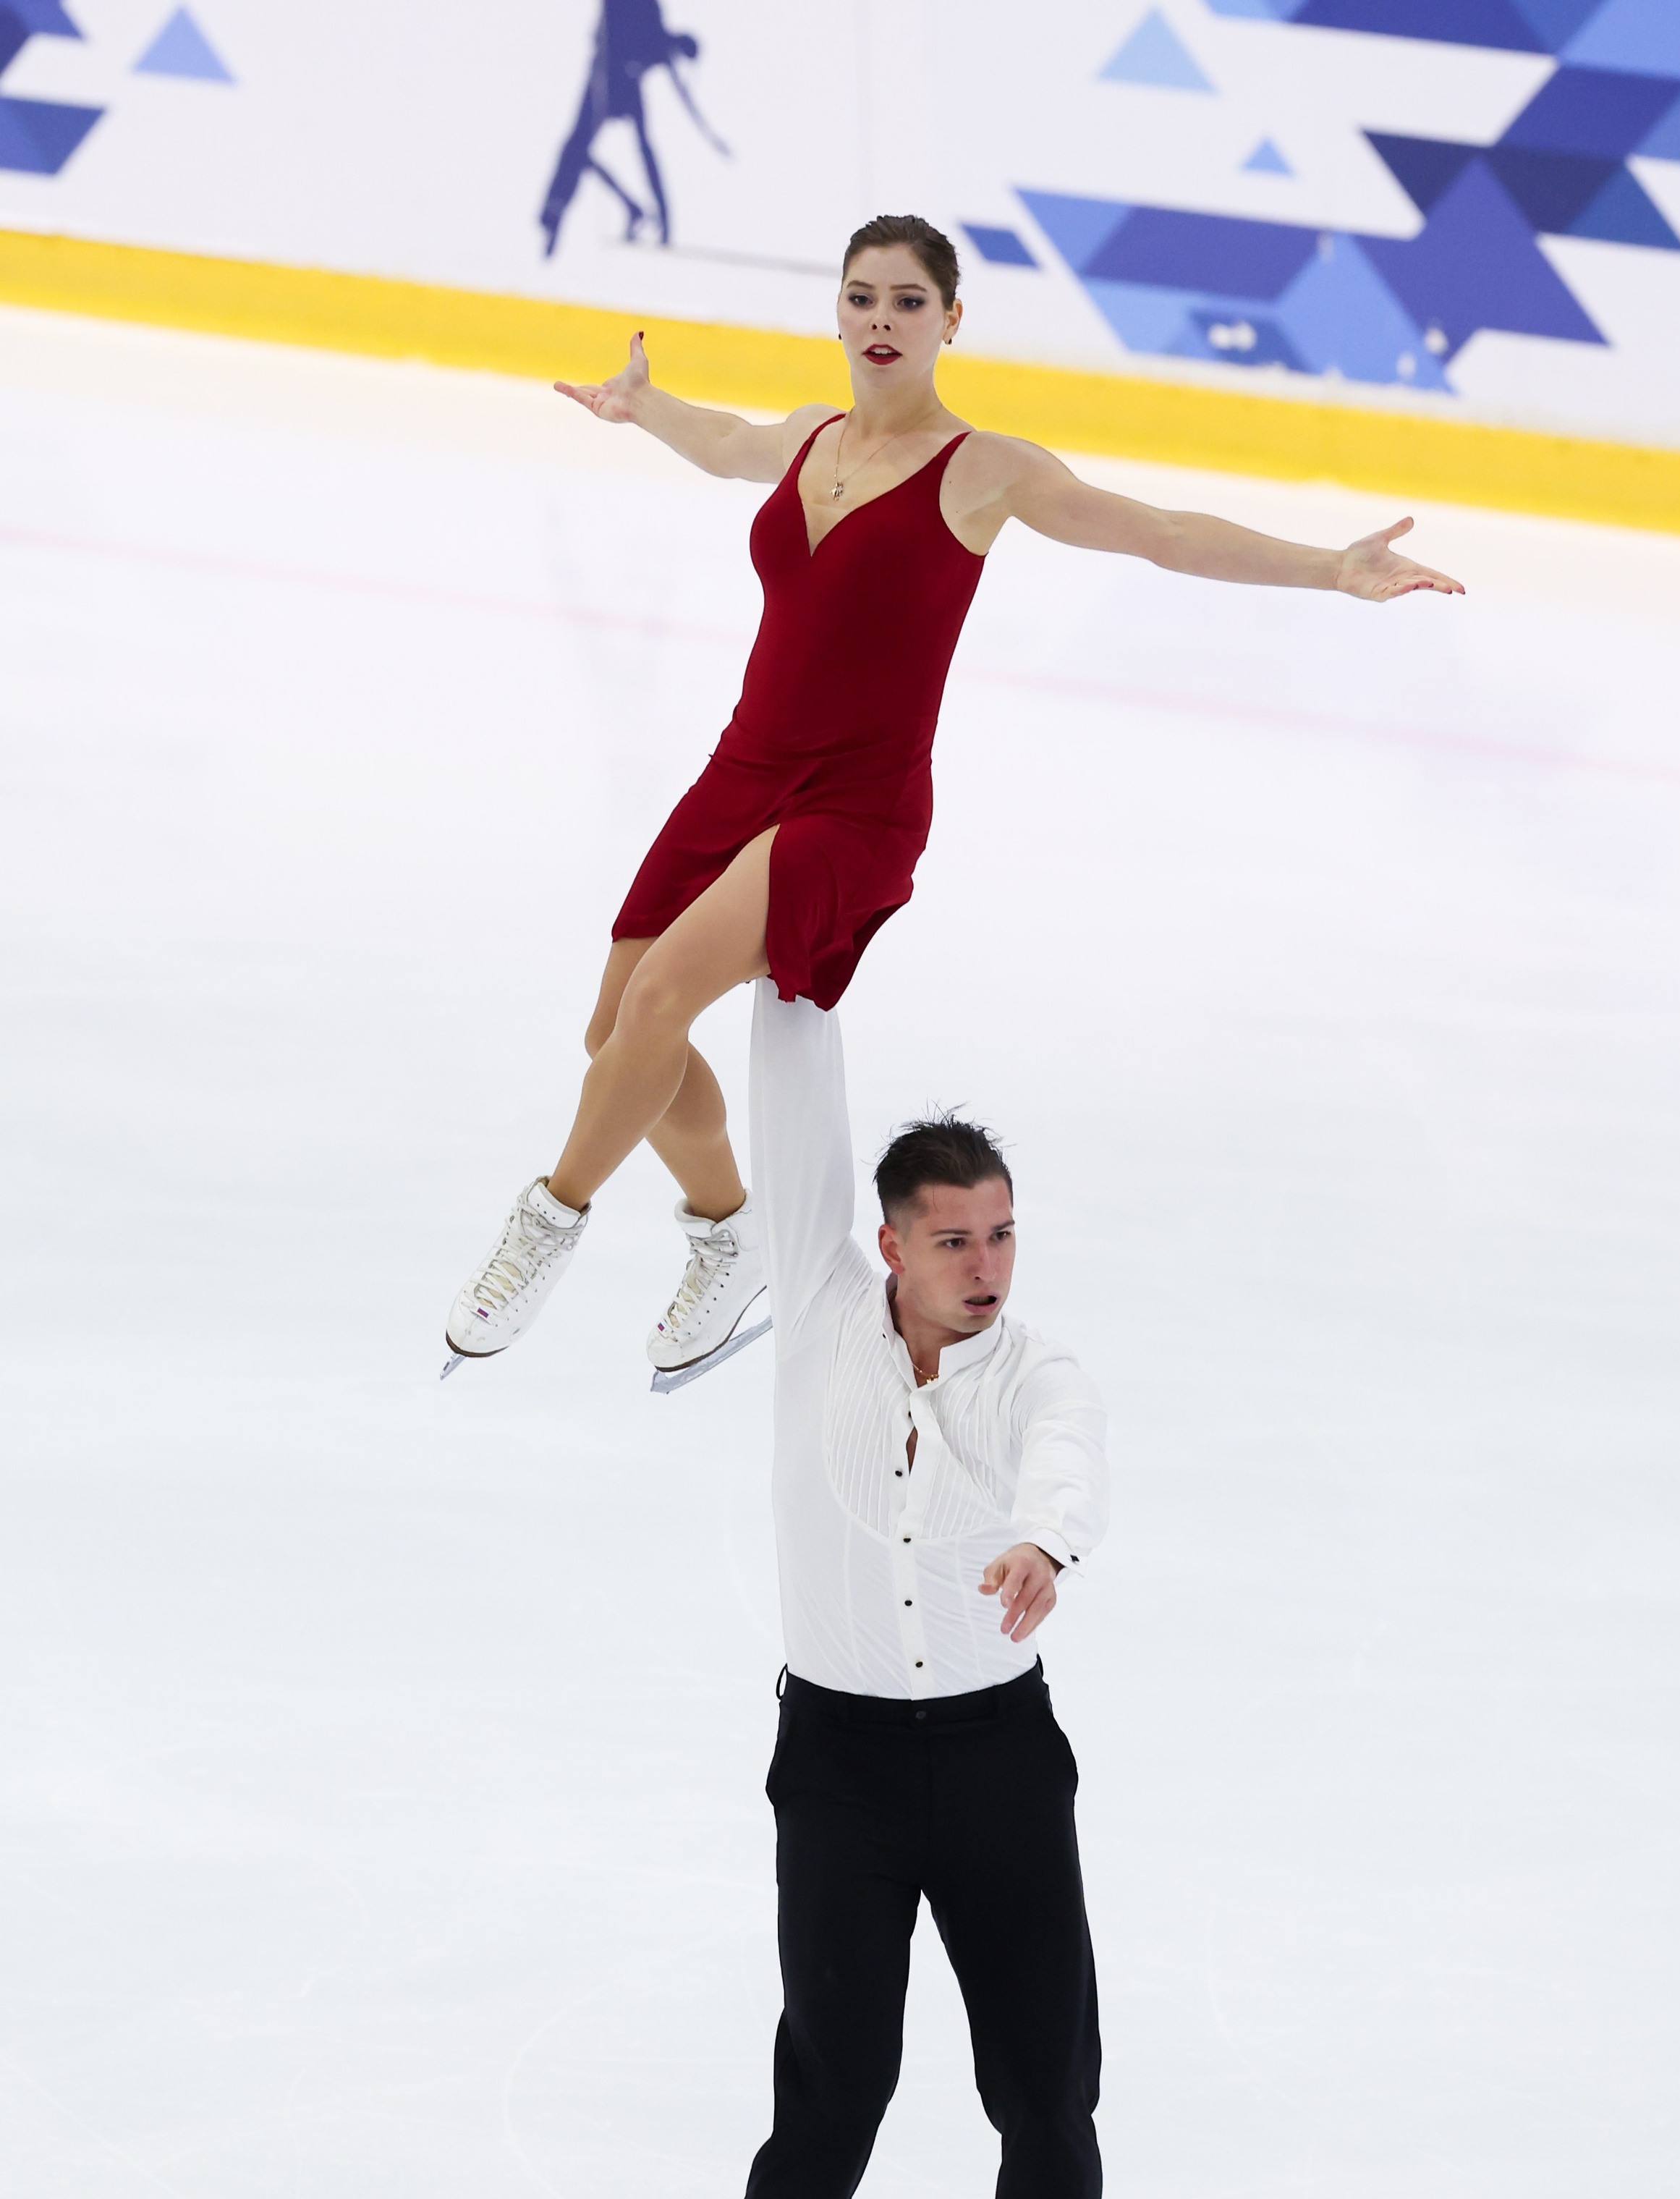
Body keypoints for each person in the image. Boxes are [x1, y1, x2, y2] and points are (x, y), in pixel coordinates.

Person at [441, 212, 1462, 1382]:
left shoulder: (984, 469)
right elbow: (726, 441)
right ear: (837, 311)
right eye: (862, 298)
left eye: (909, 302)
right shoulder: (811, 436)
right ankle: (730, 1234)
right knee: (616, 1025)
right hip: (743, 770)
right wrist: (645, 405)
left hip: (855, 804)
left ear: (951, 320)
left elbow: (1162, 534)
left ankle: (547, 1221)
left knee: (664, 994)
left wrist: (1330, 567)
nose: (882, 321)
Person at [710, 978, 1114, 2199]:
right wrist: (797, 972)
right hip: (844, 1776)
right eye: (953, 1239)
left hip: (1001, 1768)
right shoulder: (821, 1312)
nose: (985, 1266)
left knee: (1047, 2101)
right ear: (887, 1243)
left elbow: (1066, 1459)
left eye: (1001, 1234)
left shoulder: (1035, 1371)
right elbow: (795, 1114)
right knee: (830, 2102)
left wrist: (1044, 1543)